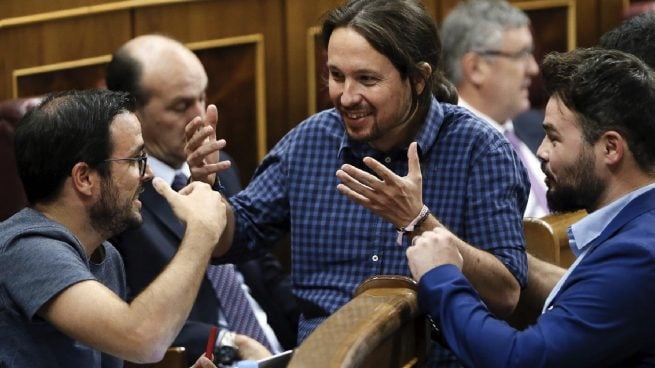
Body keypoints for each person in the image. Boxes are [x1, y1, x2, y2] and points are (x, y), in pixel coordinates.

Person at [184, 0, 529, 365]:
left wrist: (419, 222)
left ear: (418, 79)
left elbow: (505, 295)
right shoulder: (311, 141)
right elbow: (233, 240)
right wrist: (207, 191)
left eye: (367, 79)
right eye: (336, 76)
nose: (346, 97)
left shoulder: (479, 149)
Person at [407, 47, 655, 367]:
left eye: (554, 138)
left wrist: (441, 275)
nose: (541, 152)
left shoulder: (637, 255)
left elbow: (519, 360)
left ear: (610, 148)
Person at [105, 34, 298, 364]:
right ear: (131, 112)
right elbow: (120, 318)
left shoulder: (220, 163)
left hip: (278, 350)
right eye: (181, 106)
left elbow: (262, 270)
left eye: (202, 97)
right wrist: (224, 342)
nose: (200, 118)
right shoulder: (116, 196)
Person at [0, 89, 226, 367]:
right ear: (84, 178)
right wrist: (202, 232)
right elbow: (143, 340)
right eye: (136, 160)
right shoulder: (27, 249)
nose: (149, 174)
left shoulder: (105, 256)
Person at [441, 0, 548, 217]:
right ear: (475, 67)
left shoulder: (535, 127)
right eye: (521, 55)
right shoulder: (448, 148)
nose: (534, 68)